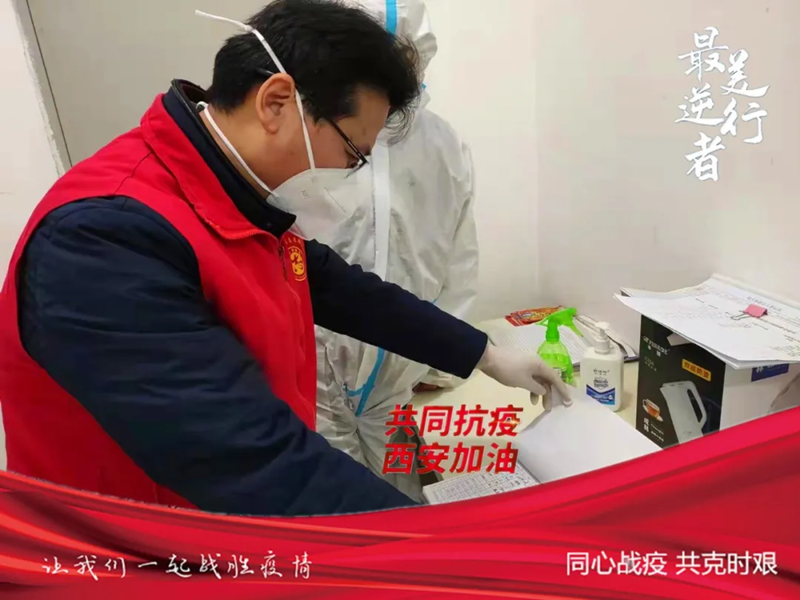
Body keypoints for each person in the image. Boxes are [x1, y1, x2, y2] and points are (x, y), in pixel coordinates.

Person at [0, 0, 570, 518]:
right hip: (140, 552)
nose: (349, 173)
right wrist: (444, 548)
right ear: (276, 102)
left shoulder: (235, 197)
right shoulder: (104, 239)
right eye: (352, 152)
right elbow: (248, 459)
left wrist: (484, 353)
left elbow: (343, 289)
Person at [315, 0, 477, 500]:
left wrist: (439, 362)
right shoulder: (314, 136)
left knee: (399, 509)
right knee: (330, 514)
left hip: (398, 381)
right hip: (313, 380)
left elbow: (458, 257)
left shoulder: (441, 143)